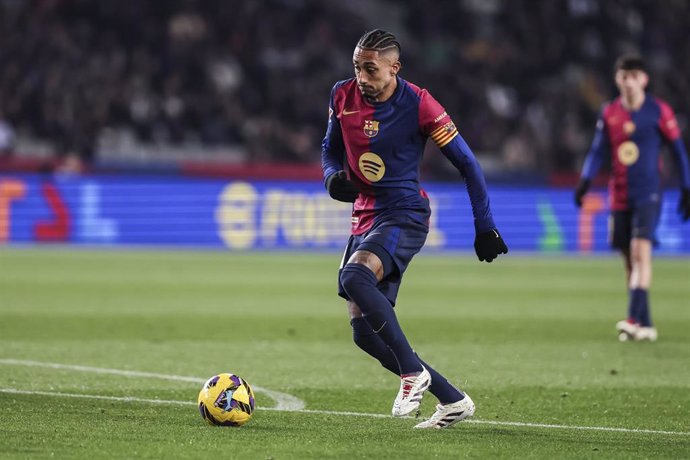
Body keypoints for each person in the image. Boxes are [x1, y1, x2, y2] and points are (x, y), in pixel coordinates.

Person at [321, 29, 508, 429]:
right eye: (356, 68)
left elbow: (468, 163)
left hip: (404, 213)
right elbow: (330, 148)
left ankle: (412, 373)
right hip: (365, 215)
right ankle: (453, 399)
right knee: (364, 333)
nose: (362, 78)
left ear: (394, 68)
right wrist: (332, 177)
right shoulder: (342, 95)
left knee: (354, 275)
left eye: (370, 70)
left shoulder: (420, 104)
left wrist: (485, 225)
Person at [575, 54, 690, 342]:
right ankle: (645, 324)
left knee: (641, 254)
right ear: (617, 80)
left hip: (648, 193)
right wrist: (585, 182)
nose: (629, 82)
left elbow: (678, 150)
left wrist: (686, 187)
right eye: (624, 76)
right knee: (628, 260)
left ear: (644, 80)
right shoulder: (610, 112)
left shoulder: (658, 111)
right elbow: (598, 151)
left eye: (634, 76)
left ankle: (631, 318)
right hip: (619, 195)